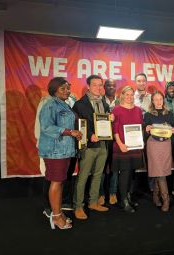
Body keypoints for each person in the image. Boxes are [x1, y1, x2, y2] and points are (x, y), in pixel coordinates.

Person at [38, 77, 82, 229]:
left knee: (60, 181)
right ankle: (56, 217)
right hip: (54, 151)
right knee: (56, 181)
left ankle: (58, 212)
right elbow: (46, 127)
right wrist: (69, 132)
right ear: (54, 90)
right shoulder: (50, 104)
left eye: (68, 87)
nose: (67, 91)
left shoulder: (64, 104)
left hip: (64, 150)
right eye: (62, 88)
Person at [73, 75, 111, 220]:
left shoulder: (104, 103)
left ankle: (93, 202)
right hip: (88, 145)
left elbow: (104, 122)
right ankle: (78, 206)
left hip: (103, 144)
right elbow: (77, 124)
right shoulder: (79, 104)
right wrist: (89, 135)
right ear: (88, 86)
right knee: (83, 176)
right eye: (95, 85)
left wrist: (110, 119)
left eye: (100, 85)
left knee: (98, 175)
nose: (98, 88)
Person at [112, 86, 143, 213]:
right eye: (127, 94)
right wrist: (120, 144)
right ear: (122, 95)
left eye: (132, 95)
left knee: (132, 173)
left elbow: (140, 127)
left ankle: (128, 196)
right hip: (122, 147)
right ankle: (123, 200)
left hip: (135, 147)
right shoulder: (117, 109)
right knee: (124, 173)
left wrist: (140, 142)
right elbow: (115, 129)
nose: (129, 97)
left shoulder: (138, 110)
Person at [144, 91, 174, 212]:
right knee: (159, 171)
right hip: (153, 144)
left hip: (166, 144)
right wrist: (146, 128)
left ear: (163, 100)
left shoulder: (169, 114)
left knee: (160, 170)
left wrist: (173, 129)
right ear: (152, 101)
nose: (158, 101)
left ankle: (155, 195)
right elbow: (145, 128)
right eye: (155, 99)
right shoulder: (148, 114)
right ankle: (166, 199)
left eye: (160, 99)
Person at [98, 79, 119, 206]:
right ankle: (100, 194)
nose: (111, 87)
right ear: (104, 87)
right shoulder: (99, 101)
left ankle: (112, 192)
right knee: (101, 167)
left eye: (113, 85)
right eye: (108, 85)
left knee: (115, 167)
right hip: (103, 139)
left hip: (117, 139)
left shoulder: (120, 101)